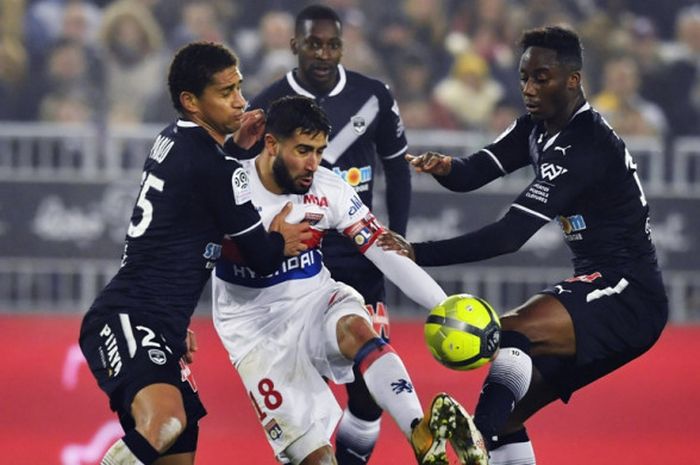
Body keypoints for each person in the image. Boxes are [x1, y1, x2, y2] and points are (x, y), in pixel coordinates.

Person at [378, 26, 669, 465]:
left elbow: (508, 236)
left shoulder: (584, 145)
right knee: (511, 412)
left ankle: (476, 438)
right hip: (602, 286)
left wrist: (420, 253)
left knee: (512, 330)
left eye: (542, 78)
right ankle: (488, 436)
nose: (529, 89)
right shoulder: (537, 126)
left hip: (627, 293)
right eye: (524, 78)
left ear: (573, 80)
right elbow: (475, 172)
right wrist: (445, 167)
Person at [78, 42, 311, 465]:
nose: (241, 101)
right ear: (191, 101)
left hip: (160, 326)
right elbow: (260, 255)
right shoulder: (215, 168)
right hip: (129, 317)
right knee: (165, 421)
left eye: (240, 88)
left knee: (178, 446)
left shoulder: (171, 137)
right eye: (226, 93)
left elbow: (196, 196)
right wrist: (280, 239)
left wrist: (236, 149)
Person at [213, 95, 465, 465]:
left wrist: (443, 307)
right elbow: (187, 258)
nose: (313, 163)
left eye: (318, 150)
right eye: (302, 150)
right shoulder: (230, 187)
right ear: (271, 144)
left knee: (358, 328)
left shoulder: (328, 187)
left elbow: (383, 251)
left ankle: (421, 433)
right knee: (317, 459)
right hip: (253, 331)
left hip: (314, 296)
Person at [226, 6, 412, 463]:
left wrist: (397, 244)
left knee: (369, 393)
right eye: (314, 44)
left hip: (360, 254)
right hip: (300, 259)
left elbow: (397, 170)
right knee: (314, 388)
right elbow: (230, 173)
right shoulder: (266, 105)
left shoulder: (375, 96)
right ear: (295, 46)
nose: (323, 53)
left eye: (332, 44)